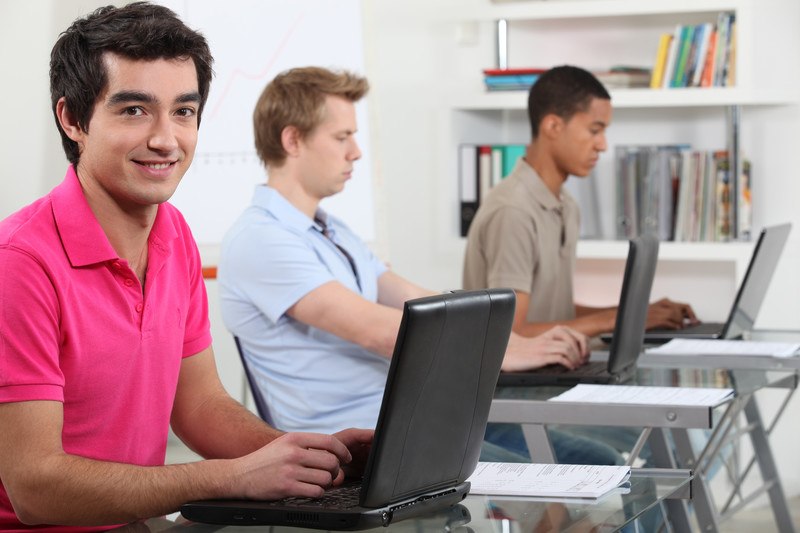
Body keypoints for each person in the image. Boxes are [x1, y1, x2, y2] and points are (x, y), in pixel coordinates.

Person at [0, 4, 372, 530]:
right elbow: (35, 490)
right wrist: (229, 476)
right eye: (134, 111)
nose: (166, 139)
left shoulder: (173, 233)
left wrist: (313, 456)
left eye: (183, 111)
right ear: (73, 119)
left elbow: (198, 406)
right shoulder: (19, 264)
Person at [218, 66, 623, 466]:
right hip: (358, 446)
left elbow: (410, 296)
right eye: (342, 137)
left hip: (415, 420)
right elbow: (376, 329)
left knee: (599, 461)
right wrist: (500, 353)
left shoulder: (330, 230)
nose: (355, 151)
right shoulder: (262, 239)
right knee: (570, 476)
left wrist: (519, 342)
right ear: (292, 140)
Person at [463, 65, 698, 339]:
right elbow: (512, 334)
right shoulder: (513, 211)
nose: (603, 145)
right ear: (553, 126)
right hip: (512, 379)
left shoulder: (566, 204)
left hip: (550, 366)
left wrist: (635, 313)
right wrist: (615, 320)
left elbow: (550, 313)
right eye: (594, 130)